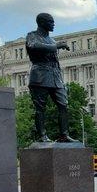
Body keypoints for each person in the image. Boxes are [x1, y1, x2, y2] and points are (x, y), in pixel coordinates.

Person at [26, 13, 78, 143]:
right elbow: (34, 46)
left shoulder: (52, 40)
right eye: (51, 22)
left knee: (63, 104)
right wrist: (56, 46)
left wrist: (56, 45)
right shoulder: (32, 36)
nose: (53, 24)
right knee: (40, 108)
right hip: (40, 76)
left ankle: (64, 135)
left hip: (55, 77)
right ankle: (42, 135)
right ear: (42, 23)